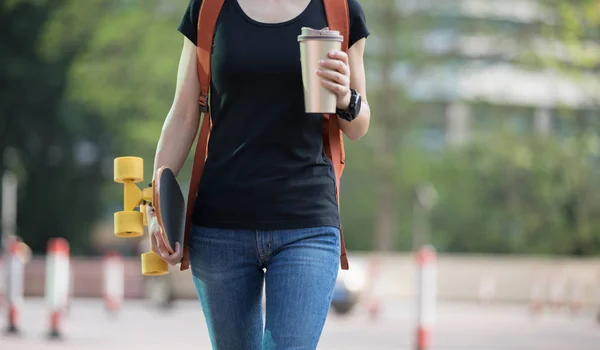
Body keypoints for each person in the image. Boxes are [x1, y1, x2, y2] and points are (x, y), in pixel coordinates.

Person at [146, 0, 371, 348]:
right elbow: (184, 111)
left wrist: (346, 98)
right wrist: (155, 204)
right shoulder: (209, 7)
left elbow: (358, 126)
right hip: (220, 228)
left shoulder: (339, 8)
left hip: (306, 223)